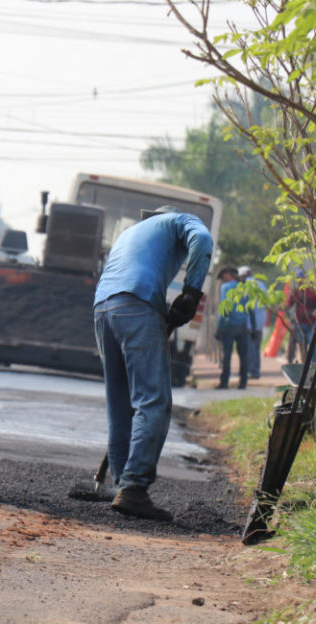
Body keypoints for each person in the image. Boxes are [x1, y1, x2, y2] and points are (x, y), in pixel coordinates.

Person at [93, 205, 213, 521]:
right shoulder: (180, 220)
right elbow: (202, 238)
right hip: (137, 302)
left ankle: (122, 483)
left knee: (120, 402)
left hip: (104, 307)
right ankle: (134, 487)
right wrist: (191, 292)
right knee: (154, 401)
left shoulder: (132, 231)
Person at [216, 267, 250, 390]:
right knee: (243, 356)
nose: (222, 280)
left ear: (227, 274)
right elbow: (249, 307)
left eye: (223, 277)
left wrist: (219, 328)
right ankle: (243, 383)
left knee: (227, 355)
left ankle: (224, 383)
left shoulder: (226, 287)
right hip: (243, 325)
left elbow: (225, 308)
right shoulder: (244, 287)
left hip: (229, 325)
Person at [285, 270, 316, 364]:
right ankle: (305, 364)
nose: (300, 280)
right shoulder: (295, 292)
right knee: (303, 345)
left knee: (312, 343)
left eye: (301, 278)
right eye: (298, 279)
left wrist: (314, 312)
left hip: (312, 322)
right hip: (300, 323)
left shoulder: (312, 290)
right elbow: (288, 305)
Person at [237, 266, 267, 380]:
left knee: (250, 348)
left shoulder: (245, 286)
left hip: (250, 322)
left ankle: (252, 371)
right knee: (256, 347)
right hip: (261, 321)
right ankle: (256, 370)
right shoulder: (261, 284)